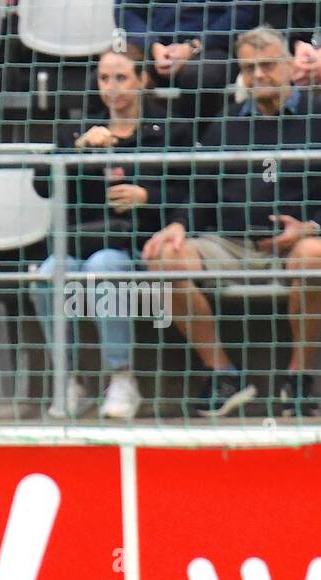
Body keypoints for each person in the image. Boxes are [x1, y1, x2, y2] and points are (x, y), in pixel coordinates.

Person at [142, 25, 321, 417]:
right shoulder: (226, 125)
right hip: (231, 243)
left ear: (291, 66)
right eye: (249, 68)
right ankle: (224, 374)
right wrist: (179, 225)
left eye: (268, 65)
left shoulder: (317, 118)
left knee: (314, 255)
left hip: (298, 244)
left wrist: (310, 227)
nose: (258, 76)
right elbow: (201, 190)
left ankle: (299, 377)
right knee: (162, 256)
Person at [31, 48, 190, 420]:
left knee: (104, 267)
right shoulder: (79, 129)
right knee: (46, 275)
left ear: (141, 80)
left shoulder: (168, 128)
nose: (112, 88)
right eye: (105, 79)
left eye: (121, 78)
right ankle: (68, 380)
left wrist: (147, 196)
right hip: (82, 242)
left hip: (138, 244)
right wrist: (78, 150)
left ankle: (122, 378)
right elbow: (41, 183)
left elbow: (193, 191)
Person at [117, 1, 257, 122]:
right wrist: (152, 45)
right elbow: (125, 9)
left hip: (214, 46)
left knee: (199, 76)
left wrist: (194, 46)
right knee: (110, 73)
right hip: (154, 48)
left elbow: (243, 11)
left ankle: (193, 144)